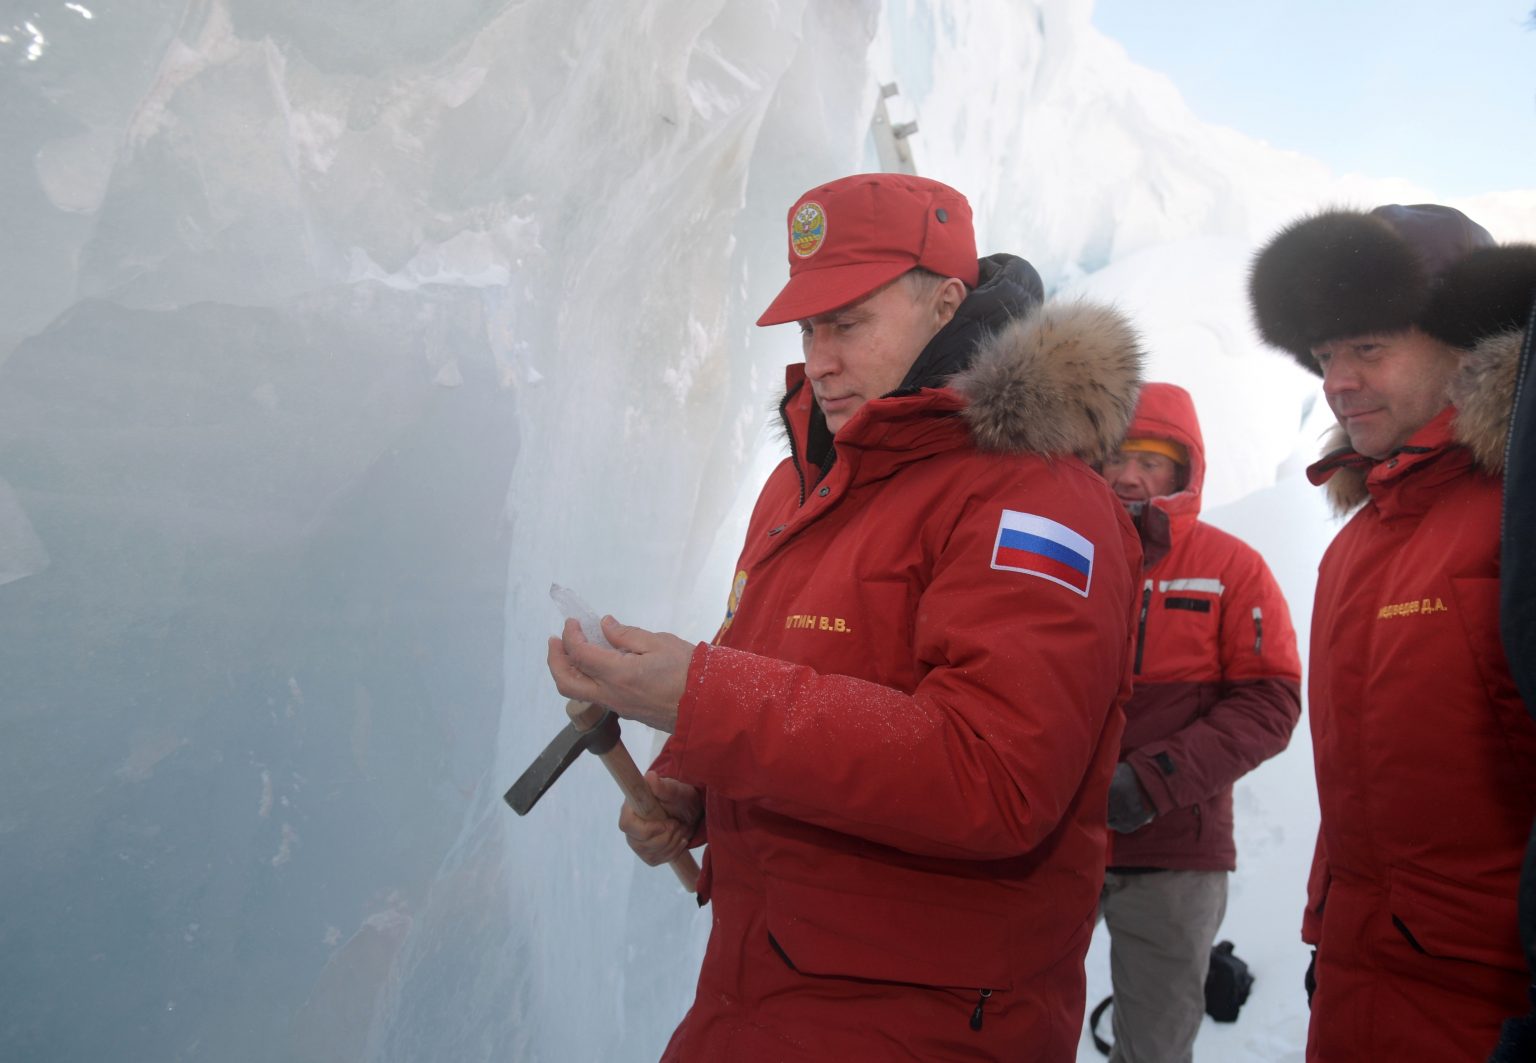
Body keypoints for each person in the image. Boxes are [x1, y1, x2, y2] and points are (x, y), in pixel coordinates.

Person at [546, 172, 1146, 1061]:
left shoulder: (1038, 500)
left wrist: (704, 702)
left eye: (848, 323)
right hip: (755, 999)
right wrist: (694, 786)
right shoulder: (801, 489)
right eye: (807, 327)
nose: (818, 358)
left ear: (947, 305)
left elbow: (996, 778)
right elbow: (810, 697)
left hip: (928, 1025)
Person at [1248, 204, 1536, 1062]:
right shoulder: (1356, 545)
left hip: (1486, 1007)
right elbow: (1359, 787)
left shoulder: (1514, 518)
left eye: (1367, 347)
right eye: (1326, 354)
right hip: (1355, 987)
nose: (1337, 379)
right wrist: (1322, 935)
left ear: (1466, 339)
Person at [1094, 382, 1302, 1062]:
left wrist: (1151, 780)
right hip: (1048, 844)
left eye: (1151, 459)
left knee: (1153, 1048)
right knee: (1008, 1023)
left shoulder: (1232, 567)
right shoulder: (1060, 557)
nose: (1128, 474)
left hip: (1173, 853)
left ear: (1186, 470)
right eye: (1115, 455)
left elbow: (1272, 701)